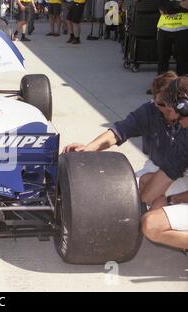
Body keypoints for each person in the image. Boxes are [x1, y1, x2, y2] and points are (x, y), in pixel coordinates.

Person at [63, 72, 184, 178]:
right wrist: (89, 148)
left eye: (171, 103)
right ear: (154, 101)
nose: (168, 108)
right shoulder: (148, 111)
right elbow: (119, 131)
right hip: (156, 169)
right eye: (162, 104)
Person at [139, 76, 188, 252]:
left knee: (151, 225)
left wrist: (172, 199)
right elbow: (171, 169)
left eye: (170, 109)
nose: (170, 116)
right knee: (145, 183)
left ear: (184, 106)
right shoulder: (186, 130)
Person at [157, 0, 188, 77]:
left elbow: (187, 5)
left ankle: (182, 86)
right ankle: (161, 86)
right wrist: (179, 5)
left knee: (183, 61)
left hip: (182, 29)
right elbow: (162, 7)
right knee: (162, 60)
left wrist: (169, 8)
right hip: (164, 28)